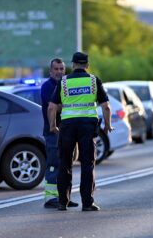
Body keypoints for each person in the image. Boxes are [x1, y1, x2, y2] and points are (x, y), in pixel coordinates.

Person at [48, 52, 113, 211]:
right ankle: (87, 203)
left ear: (72, 65)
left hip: (67, 126)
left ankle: (63, 202)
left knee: (65, 164)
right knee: (87, 164)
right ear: (87, 65)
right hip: (87, 127)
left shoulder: (63, 82)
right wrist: (108, 125)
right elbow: (106, 106)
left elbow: (52, 107)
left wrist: (52, 126)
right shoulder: (93, 80)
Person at [41, 58, 78, 209]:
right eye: (56, 69)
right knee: (53, 164)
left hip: (67, 130)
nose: (59, 72)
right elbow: (55, 107)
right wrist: (72, 103)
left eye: (61, 69)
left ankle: (64, 197)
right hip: (53, 131)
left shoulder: (66, 84)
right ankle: (50, 198)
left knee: (66, 165)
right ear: (50, 71)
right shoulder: (47, 86)